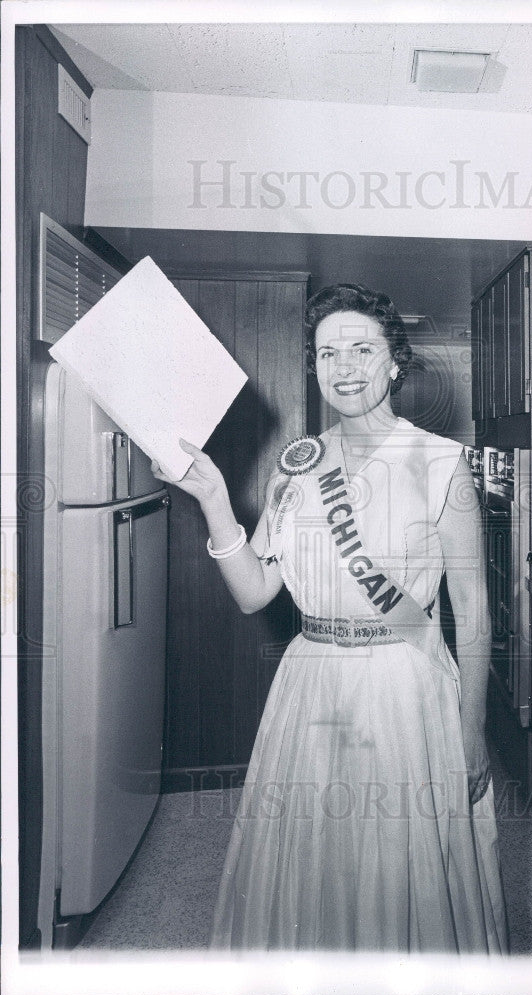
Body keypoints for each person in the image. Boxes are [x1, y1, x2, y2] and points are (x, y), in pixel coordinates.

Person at [151, 283, 508, 953]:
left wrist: (472, 732)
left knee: (397, 860)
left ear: (394, 362)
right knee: (313, 851)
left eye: (361, 349)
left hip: (404, 684)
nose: (343, 367)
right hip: (310, 680)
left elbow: (477, 616)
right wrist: (214, 499)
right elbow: (255, 592)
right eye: (327, 353)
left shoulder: (440, 463)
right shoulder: (298, 466)